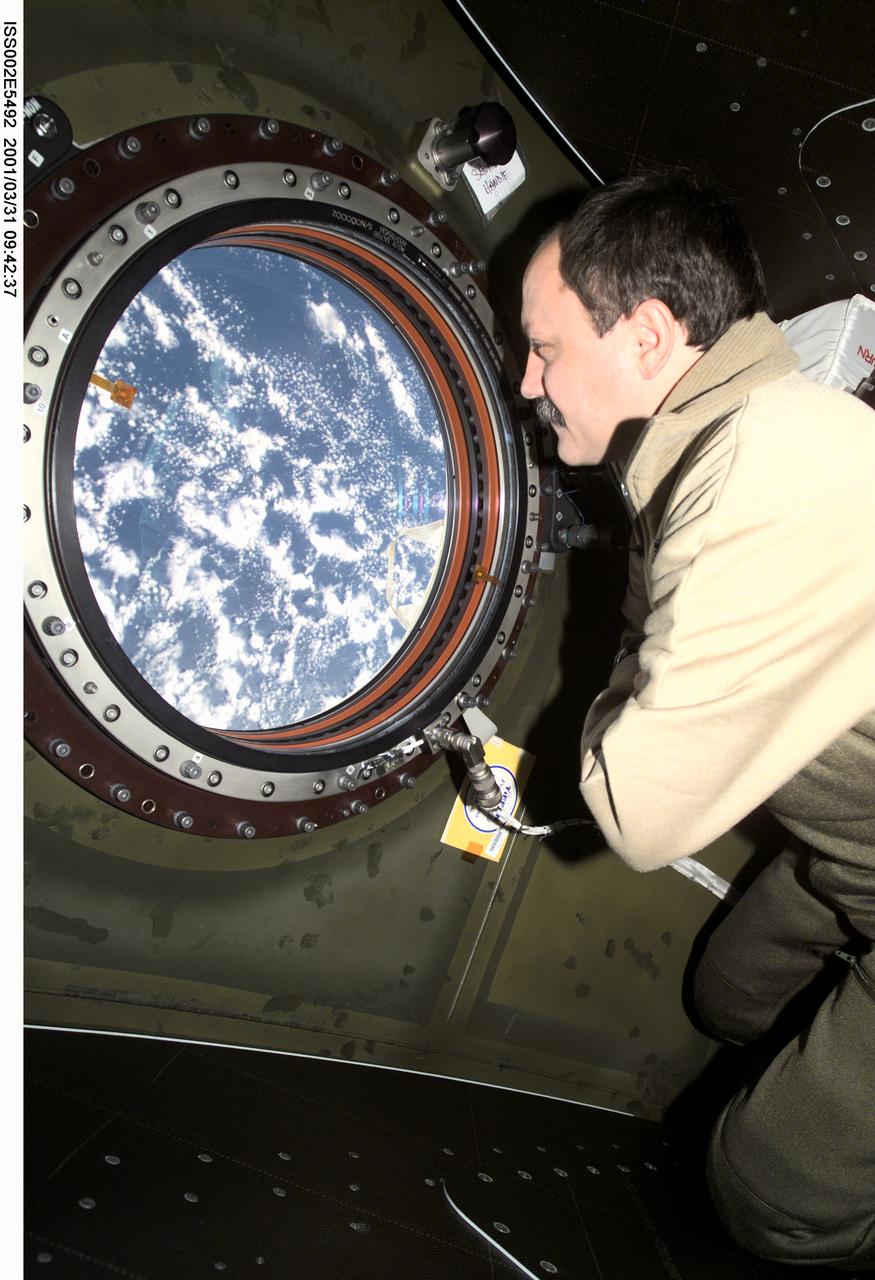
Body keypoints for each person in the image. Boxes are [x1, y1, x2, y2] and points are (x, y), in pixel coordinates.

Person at [520, 169, 875, 1271]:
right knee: (725, 997)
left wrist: (621, 690)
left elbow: (634, 808)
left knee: (763, 1190)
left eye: (542, 346)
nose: (524, 377)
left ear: (647, 334)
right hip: (855, 851)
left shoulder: (761, 463)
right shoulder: (709, 449)